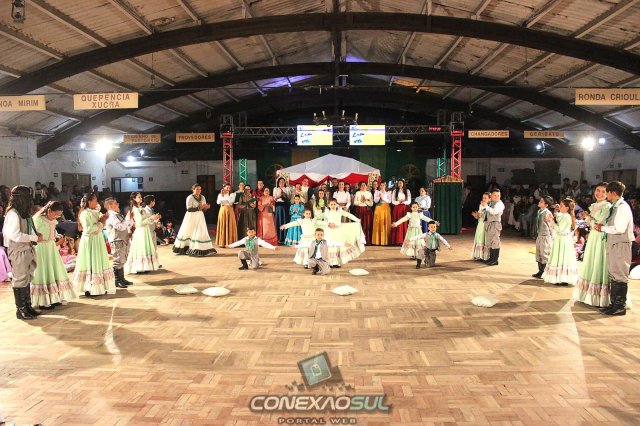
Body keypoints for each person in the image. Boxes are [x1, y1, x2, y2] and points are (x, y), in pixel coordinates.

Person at [593, 181, 634, 316]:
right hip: (614, 243)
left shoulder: (622, 208)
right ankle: (614, 304)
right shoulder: (616, 206)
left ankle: (620, 306)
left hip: (621, 244)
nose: (606, 195)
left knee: (619, 275)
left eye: (607, 192)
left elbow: (619, 228)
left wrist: (602, 228)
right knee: (613, 273)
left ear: (613, 193)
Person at [2, 186, 43, 319]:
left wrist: (34, 236)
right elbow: (15, 235)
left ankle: (27, 306)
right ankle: (21, 310)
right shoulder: (13, 214)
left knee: (27, 277)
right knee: (20, 279)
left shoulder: (23, 213)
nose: (30, 199)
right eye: (28, 196)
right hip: (18, 250)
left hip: (26, 248)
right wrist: (34, 238)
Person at [30, 201, 76, 309]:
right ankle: (43, 300)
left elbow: (53, 232)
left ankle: (54, 297)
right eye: (55, 215)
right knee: (44, 272)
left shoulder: (53, 220)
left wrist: (57, 237)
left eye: (58, 216)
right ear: (49, 211)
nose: (56, 217)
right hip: (41, 248)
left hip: (51, 247)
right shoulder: (37, 219)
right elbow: (33, 233)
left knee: (54, 271)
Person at [572, 183, 610, 306]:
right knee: (590, 261)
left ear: (608, 194)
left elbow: (599, 225)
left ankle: (600, 297)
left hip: (601, 238)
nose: (599, 193)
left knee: (598, 262)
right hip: (593, 236)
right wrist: (587, 218)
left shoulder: (607, 206)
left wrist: (587, 217)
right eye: (598, 190)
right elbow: (593, 224)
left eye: (603, 191)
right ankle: (588, 294)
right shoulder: (594, 205)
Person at [73, 193, 116, 297]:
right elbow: (88, 229)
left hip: (97, 240)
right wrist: (101, 222)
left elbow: (101, 222)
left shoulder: (95, 212)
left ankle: (98, 287)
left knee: (98, 262)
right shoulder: (84, 214)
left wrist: (104, 218)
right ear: (89, 202)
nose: (97, 203)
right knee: (90, 262)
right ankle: (89, 288)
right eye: (95, 201)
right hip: (90, 241)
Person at [542, 198, 579, 286]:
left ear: (567, 208)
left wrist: (551, 222)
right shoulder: (563, 215)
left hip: (563, 239)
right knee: (559, 257)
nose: (560, 207)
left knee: (563, 257)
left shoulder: (566, 216)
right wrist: (553, 217)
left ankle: (563, 278)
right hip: (560, 238)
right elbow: (558, 218)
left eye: (562, 206)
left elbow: (559, 228)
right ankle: (559, 277)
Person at [173, 184, 216, 256]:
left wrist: (206, 207)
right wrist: (198, 208)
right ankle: (187, 247)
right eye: (197, 189)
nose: (199, 190)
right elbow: (189, 209)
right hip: (191, 216)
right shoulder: (190, 197)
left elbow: (203, 209)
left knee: (200, 230)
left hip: (200, 216)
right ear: (193, 190)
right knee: (189, 230)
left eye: (200, 189)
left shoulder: (202, 197)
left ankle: (199, 248)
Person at [126, 192, 160, 274]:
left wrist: (153, 219)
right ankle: (140, 267)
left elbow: (145, 220)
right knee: (141, 248)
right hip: (141, 231)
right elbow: (139, 223)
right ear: (134, 199)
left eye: (141, 197)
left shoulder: (140, 208)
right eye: (139, 197)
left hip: (145, 230)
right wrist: (151, 218)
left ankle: (146, 266)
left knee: (146, 247)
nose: (141, 198)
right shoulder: (135, 209)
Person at [323, 199, 364, 267]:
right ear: (329, 205)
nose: (333, 206)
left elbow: (348, 215)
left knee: (338, 246)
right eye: (331, 204)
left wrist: (357, 220)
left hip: (338, 230)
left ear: (336, 205)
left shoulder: (340, 211)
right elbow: (322, 219)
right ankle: (330, 262)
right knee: (331, 246)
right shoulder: (327, 212)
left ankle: (337, 262)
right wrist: (328, 224)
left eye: (334, 204)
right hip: (329, 231)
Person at [104, 197, 133, 288]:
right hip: (117, 240)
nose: (118, 205)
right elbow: (120, 227)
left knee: (122, 259)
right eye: (116, 203)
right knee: (118, 259)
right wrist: (127, 218)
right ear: (110, 206)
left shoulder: (117, 214)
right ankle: (117, 280)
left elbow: (127, 225)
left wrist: (130, 219)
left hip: (122, 239)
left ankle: (122, 278)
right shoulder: (111, 216)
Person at [531, 196, 555, 279]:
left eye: (541, 201)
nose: (539, 202)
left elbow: (551, 226)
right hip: (540, 235)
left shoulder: (547, 213)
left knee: (544, 253)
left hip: (545, 236)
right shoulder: (539, 211)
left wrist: (552, 237)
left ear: (546, 204)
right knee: (538, 253)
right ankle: (540, 270)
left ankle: (545, 272)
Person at [480, 189, 505, 266]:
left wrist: (486, 206)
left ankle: (495, 259)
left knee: (495, 242)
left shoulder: (500, 204)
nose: (497, 197)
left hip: (495, 224)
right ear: (491, 195)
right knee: (490, 242)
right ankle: (491, 258)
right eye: (495, 195)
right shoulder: (490, 202)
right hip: (489, 224)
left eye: (498, 195)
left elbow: (494, 212)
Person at [390, 179, 411, 245]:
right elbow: (393, 201)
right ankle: (397, 240)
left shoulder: (407, 191)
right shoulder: (395, 191)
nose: (400, 184)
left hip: (405, 208)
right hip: (397, 208)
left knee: (404, 223)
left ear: (403, 184)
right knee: (397, 222)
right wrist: (399, 202)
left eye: (401, 183)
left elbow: (409, 201)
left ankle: (404, 240)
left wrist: (404, 202)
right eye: (399, 183)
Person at [471, 192, 491, 262]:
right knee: (479, 238)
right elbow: (479, 216)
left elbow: (488, 216)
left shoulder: (489, 207)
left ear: (489, 199)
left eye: (485, 198)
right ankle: (479, 255)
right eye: (483, 198)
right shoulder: (481, 205)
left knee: (484, 239)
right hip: (480, 224)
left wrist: (481, 214)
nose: (484, 199)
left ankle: (484, 256)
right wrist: (476, 215)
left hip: (485, 224)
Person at [273, 178, 290, 243]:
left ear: (285, 182)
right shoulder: (275, 189)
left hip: (285, 205)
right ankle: (279, 237)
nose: (281, 183)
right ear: (278, 182)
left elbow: (289, 197)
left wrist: (284, 195)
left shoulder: (287, 189)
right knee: (278, 220)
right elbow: (274, 198)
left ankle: (285, 237)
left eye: (283, 181)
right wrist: (279, 196)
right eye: (280, 182)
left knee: (285, 220)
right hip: (278, 206)